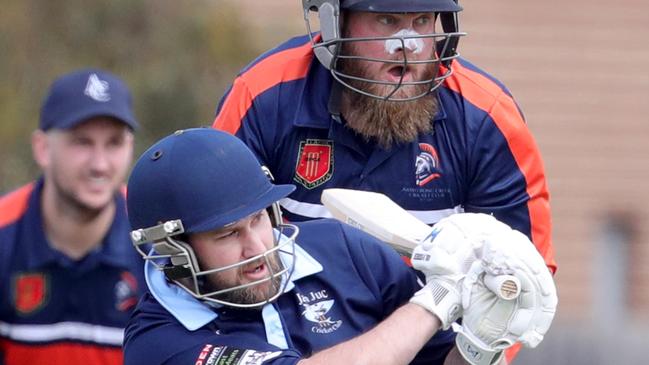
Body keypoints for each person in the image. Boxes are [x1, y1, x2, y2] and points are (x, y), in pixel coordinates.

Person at [123, 128, 556, 365]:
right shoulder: (159, 344)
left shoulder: (342, 250)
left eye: (259, 219)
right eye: (228, 234)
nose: (258, 247)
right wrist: (439, 299)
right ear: (172, 251)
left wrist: (480, 344)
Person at [212, 2, 556, 273]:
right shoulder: (261, 96)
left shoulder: (488, 116)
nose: (407, 46)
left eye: (422, 21)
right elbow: (215, 242)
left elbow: (527, 275)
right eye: (387, 21)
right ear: (338, 22)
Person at [0, 68, 146, 365]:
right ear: (42, 148)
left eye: (114, 143)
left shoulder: (159, 240)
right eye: (82, 142)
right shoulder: (4, 235)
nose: (100, 165)